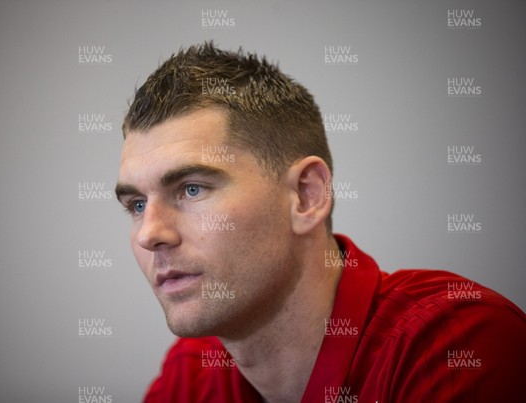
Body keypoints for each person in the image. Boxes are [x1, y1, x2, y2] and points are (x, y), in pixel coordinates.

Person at [115, 42, 526, 402]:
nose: (150, 233)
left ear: (306, 196)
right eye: (135, 204)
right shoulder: (190, 375)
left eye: (191, 189)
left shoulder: (454, 344)